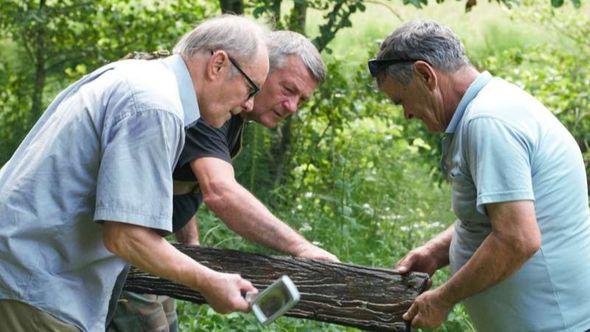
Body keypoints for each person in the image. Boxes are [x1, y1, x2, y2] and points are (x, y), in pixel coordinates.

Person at [0, 15, 271, 332]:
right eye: (251, 88)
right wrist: (209, 281)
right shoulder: (155, 107)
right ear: (218, 64)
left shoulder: (137, 77)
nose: (250, 105)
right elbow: (126, 235)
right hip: (35, 289)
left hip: (25, 274)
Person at [109, 30, 338, 332]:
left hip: (149, 245)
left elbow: (178, 177)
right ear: (262, 68)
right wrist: (302, 247)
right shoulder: (208, 107)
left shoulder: (230, 112)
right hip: (122, 245)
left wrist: (189, 245)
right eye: (288, 89)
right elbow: (220, 192)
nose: (292, 106)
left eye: (302, 99)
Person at [369, 20, 590, 331]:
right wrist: (436, 251)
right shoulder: (488, 108)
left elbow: (517, 239)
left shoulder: (488, 121)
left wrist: (442, 299)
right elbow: (498, 212)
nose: (406, 113)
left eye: (401, 100)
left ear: (425, 74)